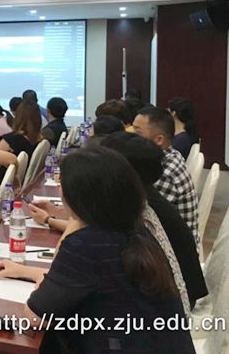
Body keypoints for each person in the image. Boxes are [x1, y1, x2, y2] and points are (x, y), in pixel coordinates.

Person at [0, 147, 194, 353]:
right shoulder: (136, 229)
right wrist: (26, 272)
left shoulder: (85, 244)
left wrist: (75, 221)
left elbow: (36, 317)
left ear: (78, 196)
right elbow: (86, 281)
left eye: (63, 185)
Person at [31, 132, 208, 311]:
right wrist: (56, 217)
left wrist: (73, 216)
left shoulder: (99, 240)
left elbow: (41, 310)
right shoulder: (136, 207)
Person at [133, 107, 199, 244]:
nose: (131, 138)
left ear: (159, 139)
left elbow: (144, 219)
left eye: (137, 133)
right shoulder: (171, 154)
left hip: (176, 248)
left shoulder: (163, 172)